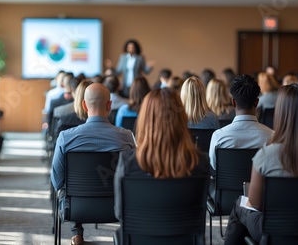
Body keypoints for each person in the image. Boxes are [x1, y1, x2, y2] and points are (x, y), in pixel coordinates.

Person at [224, 84, 298, 244]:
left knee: (239, 206)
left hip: (274, 233)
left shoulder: (266, 155)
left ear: (281, 112)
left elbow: (255, 204)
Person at [51, 83, 136, 245]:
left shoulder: (65, 138)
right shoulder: (127, 137)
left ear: (84, 105)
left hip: (75, 208)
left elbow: (57, 181)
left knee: (69, 187)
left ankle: (77, 234)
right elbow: (133, 176)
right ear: (109, 105)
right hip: (118, 208)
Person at [114, 88, 210, 220]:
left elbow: (120, 213)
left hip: (141, 236)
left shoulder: (128, 161)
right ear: (182, 119)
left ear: (144, 119)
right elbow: (199, 213)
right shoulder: (200, 161)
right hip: (183, 237)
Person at [209, 74, 274, 171]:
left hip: (226, 186)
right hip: (260, 186)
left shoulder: (219, 137)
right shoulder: (272, 137)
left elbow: (215, 167)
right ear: (256, 103)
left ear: (233, 102)